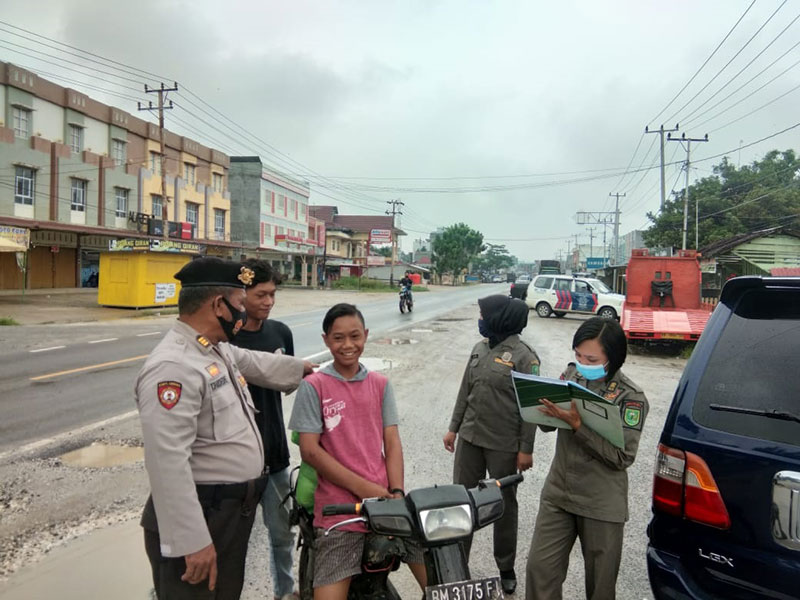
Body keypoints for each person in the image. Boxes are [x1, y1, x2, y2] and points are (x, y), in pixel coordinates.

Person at [136, 257, 316, 600]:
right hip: (203, 515)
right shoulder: (174, 367)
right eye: (240, 304)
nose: (246, 312)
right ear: (218, 305)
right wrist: (192, 540)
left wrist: (310, 369)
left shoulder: (213, 349)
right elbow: (166, 463)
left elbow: (258, 363)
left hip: (225, 513)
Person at [288, 303, 427, 600]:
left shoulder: (380, 384)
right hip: (340, 512)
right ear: (326, 340)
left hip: (387, 503)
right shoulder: (314, 387)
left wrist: (398, 493)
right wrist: (366, 489)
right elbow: (311, 452)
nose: (348, 345)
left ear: (365, 335)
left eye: (354, 336)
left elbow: (392, 442)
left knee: (441, 580)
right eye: (338, 338)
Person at [525, 317, 649, 600]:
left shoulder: (631, 398)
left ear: (612, 358)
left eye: (591, 358)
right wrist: (537, 404)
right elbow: (546, 425)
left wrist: (579, 426)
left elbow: (622, 457)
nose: (582, 362)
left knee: (600, 587)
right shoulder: (572, 376)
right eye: (578, 355)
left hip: (601, 503)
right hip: (559, 494)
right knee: (539, 571)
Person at [443, 295, 540, 595]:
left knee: (503, 505)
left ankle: (506, 565)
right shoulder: (479, 348)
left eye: (484, 314)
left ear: (500, 318)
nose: (481, 319)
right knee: (463, 500)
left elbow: (531, 407)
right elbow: (465, 392)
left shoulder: (525, 357)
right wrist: (453, 428)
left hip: (503, 443)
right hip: (471, 438)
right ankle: (458, 564)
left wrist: (526, 448)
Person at [231, 259, 298, 600]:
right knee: (231, 540)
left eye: (273, 294)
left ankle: (285, 593)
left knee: (282, 535)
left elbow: (288, 382)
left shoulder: (281, 333)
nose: (269, 301)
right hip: (235, 460)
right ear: (241, 294)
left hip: (275, 455)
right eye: (261, 294)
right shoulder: (227, 336)